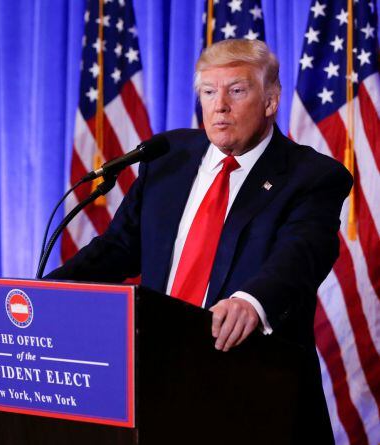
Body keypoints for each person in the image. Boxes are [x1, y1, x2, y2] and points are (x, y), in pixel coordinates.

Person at [48, 39, 351, 443]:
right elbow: (119, 247)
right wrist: (44, 293)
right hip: (157, 380)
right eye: (208, 92)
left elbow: (301, 254)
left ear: (271, 100)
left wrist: (252, 301)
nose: (219, 105)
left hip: (252, 391)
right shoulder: (168, 155)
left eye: (237, 90)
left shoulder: (311, 176)